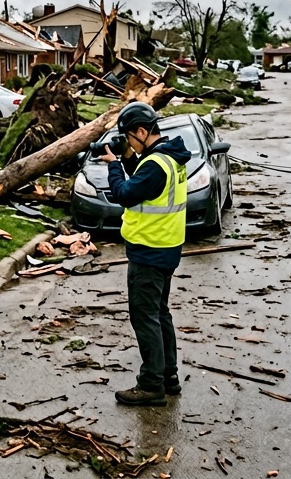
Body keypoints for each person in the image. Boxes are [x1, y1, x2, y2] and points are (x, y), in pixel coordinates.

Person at [98, 102, 191, 406]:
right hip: (167, 247)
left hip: (149, 251)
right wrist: (126, 159)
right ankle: (168, 376)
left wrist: (113, 165)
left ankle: (151, 384)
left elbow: (125, 194)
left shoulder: (155, 165)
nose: (129, 143)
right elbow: (144, 186)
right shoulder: (168, 157)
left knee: (145, 317)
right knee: (160, 313)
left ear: (141, 131)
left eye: (129, 137)